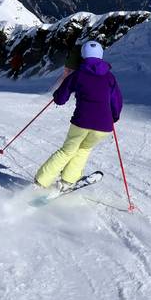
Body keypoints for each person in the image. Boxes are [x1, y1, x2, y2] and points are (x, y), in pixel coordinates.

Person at [34, 41, 123, 190]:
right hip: (104, 126)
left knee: (67, 151)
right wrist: (114, 116)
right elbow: (117, 101)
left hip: (82, 122)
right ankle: (67, 181)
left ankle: (41, 182)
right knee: (84, 150)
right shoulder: (110, 77)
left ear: (83, 55)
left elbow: (61, 98)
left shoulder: (77, 75)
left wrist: (57, 97)